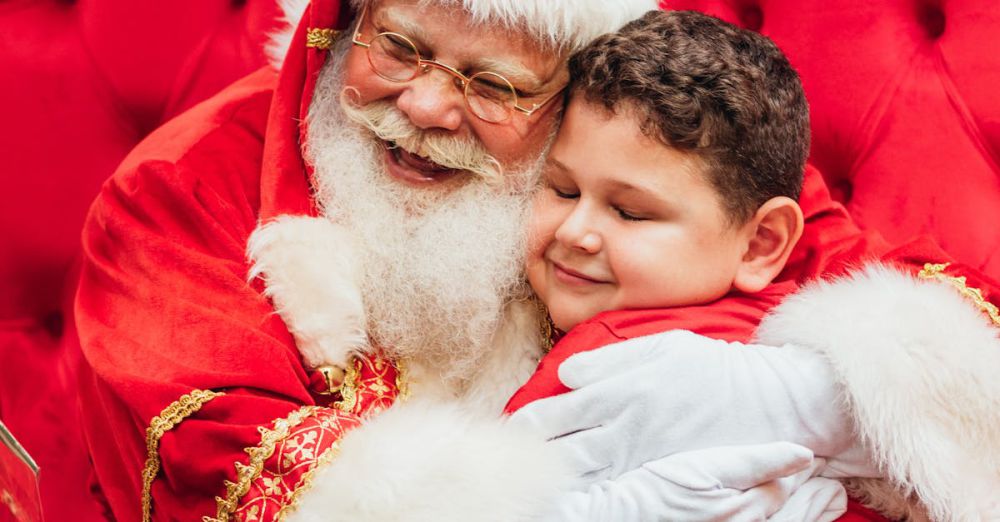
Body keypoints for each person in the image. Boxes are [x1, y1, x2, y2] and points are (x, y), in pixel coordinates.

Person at [72, 1, 1000, 522]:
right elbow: (235, 475)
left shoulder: (626, 145)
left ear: (574, 98)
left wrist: (811, 400)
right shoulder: (179, 189)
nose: (429, 106)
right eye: (398, 45)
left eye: (495, 85)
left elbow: (934, 324)